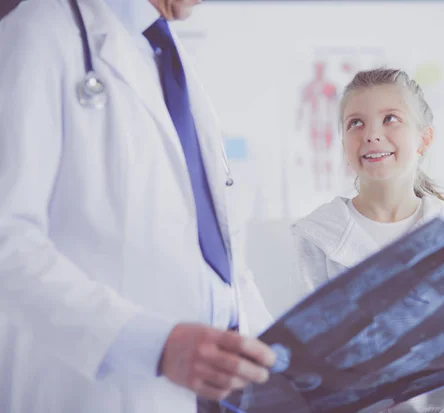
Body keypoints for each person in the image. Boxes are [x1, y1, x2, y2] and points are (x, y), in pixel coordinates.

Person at [0, 1, 276, 412]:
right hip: (91, 396)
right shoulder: (41, 31)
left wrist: (292, 363)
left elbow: (218, 262)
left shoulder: (168, 56)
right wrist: (155, 346)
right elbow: (8, 242)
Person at [291, 68, 444, 413]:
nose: (371, 135)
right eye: (355, 123)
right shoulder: (314, 236)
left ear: (424, 139)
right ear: (343, 143)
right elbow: (305, 358)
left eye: (390, 119)